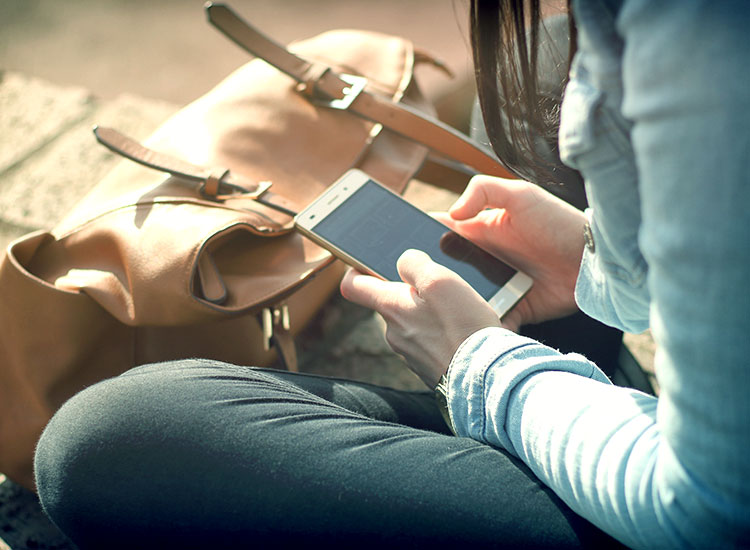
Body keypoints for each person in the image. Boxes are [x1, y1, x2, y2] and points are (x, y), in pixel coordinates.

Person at [33, 0, 749, 548]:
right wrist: (600, 265)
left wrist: (483, 366)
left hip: (687, 509)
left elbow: (709, 512)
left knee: (110, 441)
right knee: (540, 64)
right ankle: (574, 398)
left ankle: (545, 415)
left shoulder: (697, 52)